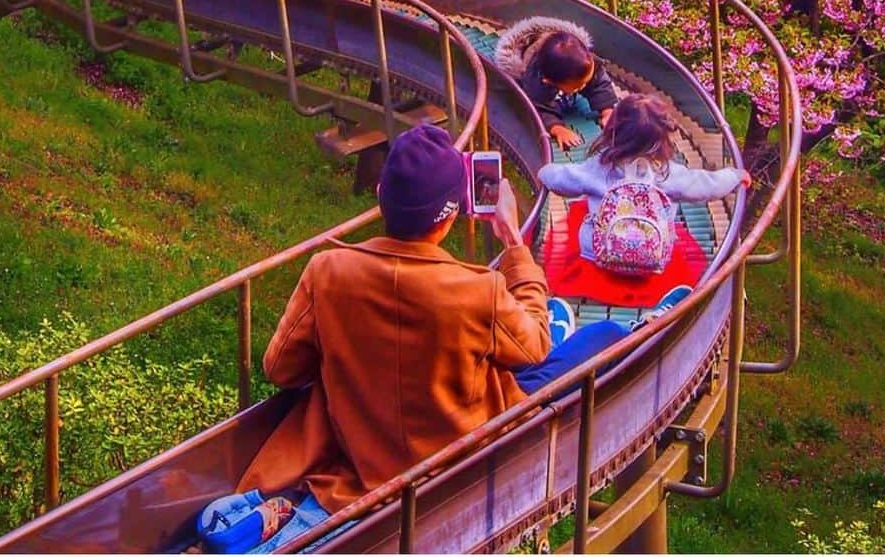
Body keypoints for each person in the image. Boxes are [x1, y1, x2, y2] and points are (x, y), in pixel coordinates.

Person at [224, 124, 628, 553]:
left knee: (538, 336)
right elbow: (533, 349)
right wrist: (512, 241)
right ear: (453, 214)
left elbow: (281, 368)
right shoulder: (479, 290)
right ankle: (559, 315)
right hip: (465, 454)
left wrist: (348, 346)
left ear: (381, 195)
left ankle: (552, 316)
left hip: (363, 458)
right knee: (605, 334)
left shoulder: (327, 272)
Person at [538, 93, 750, 265]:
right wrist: (735, 176)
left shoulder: (599, 167)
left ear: (613, 130)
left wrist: (544, 172)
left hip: (600, 252)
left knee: (582, 215)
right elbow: (705, 185)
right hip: (651, 253)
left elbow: (562, 179)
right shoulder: (666, 172)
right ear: (662, 139)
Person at [496, 16, 617, 150]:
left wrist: (607, 110)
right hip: (535, 85)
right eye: (578, 86)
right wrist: (556, 128)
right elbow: (539, 110)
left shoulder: (583, 62)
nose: (584, 86)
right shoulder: (535, 84)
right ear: (549, 81)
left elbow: (598, 80)